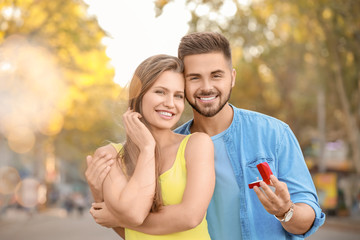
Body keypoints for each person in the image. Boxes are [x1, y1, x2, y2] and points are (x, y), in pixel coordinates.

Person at [86, 32, 326, 239]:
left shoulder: (273, 134)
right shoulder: (169, 146)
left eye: (216, 75)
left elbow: (309, 217)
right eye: (194, 78)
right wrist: (107, 200)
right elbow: (141, 234)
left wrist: (286, 211)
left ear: (232, 77)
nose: (206, 86)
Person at [85, 54, 215, 239]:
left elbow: (190, 217)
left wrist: (117, 217)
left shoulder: (197, 144)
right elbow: (132, 219)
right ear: (139, 94)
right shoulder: (110, 155)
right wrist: (147, 148)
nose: (170, 104)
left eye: (178, 96)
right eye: (160, 92)